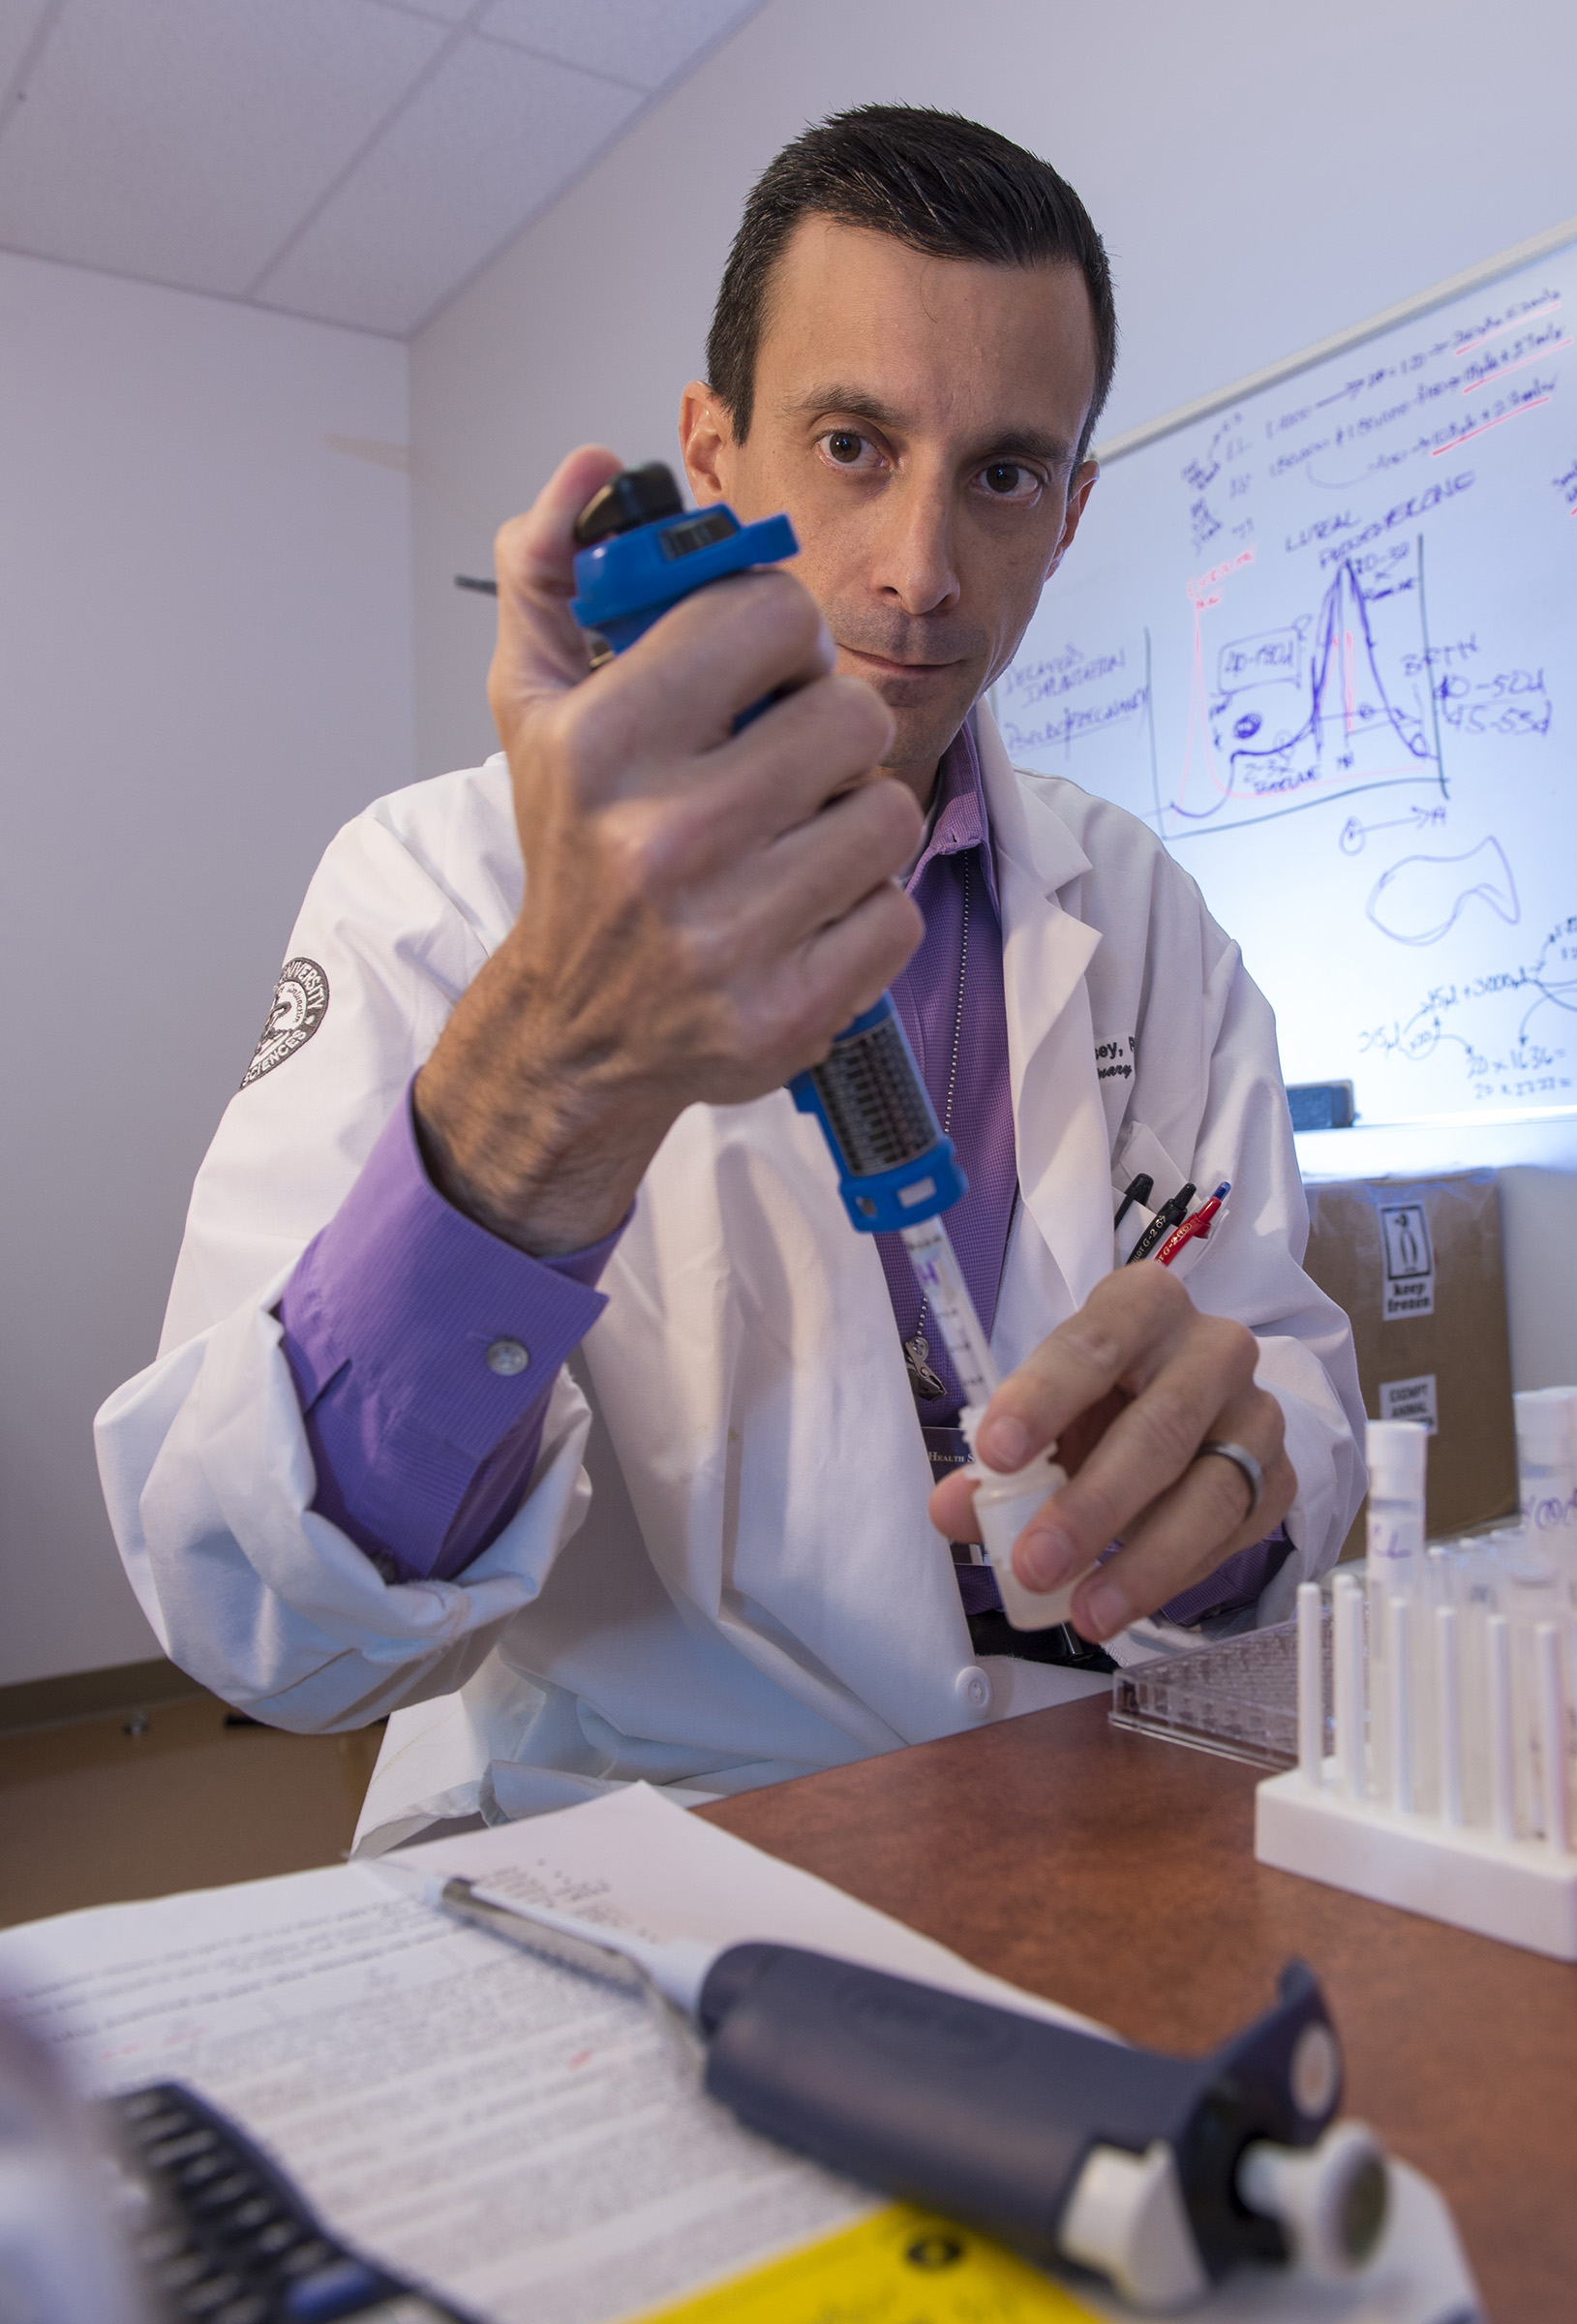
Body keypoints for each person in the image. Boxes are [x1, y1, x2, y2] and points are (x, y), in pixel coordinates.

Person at [96, 107, 1365, 1849]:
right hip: (618, 1839)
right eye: (853, 443)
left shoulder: (1145, 912)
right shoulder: (439, 884)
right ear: (715, 454)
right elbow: (258, 1621)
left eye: (1001, 475)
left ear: (1071, 510)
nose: (922, 572)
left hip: (1089, 1816)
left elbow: (1285, 1358)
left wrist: (1233, 1493)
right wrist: (551, 1073)